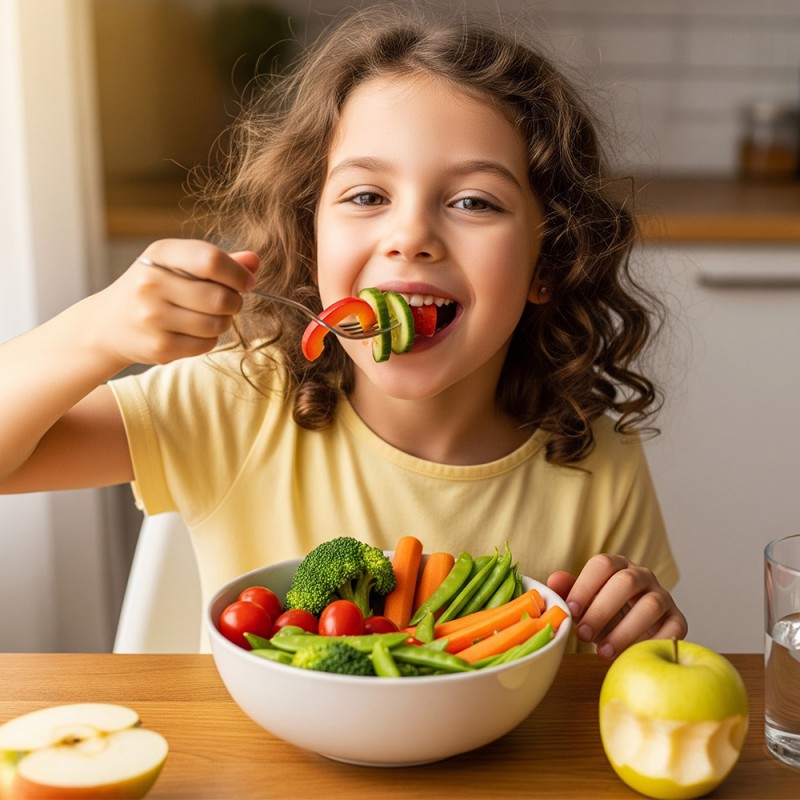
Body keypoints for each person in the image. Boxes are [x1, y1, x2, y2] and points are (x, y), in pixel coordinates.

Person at [0, 4, 686, 658]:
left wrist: (639, 629)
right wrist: (96, 331)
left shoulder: (595, 454)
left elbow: (619, 676)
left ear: (550, 261)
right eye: (367, 196)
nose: (410, 236)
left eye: (474, 201)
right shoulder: (238, 403)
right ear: (310, 239)